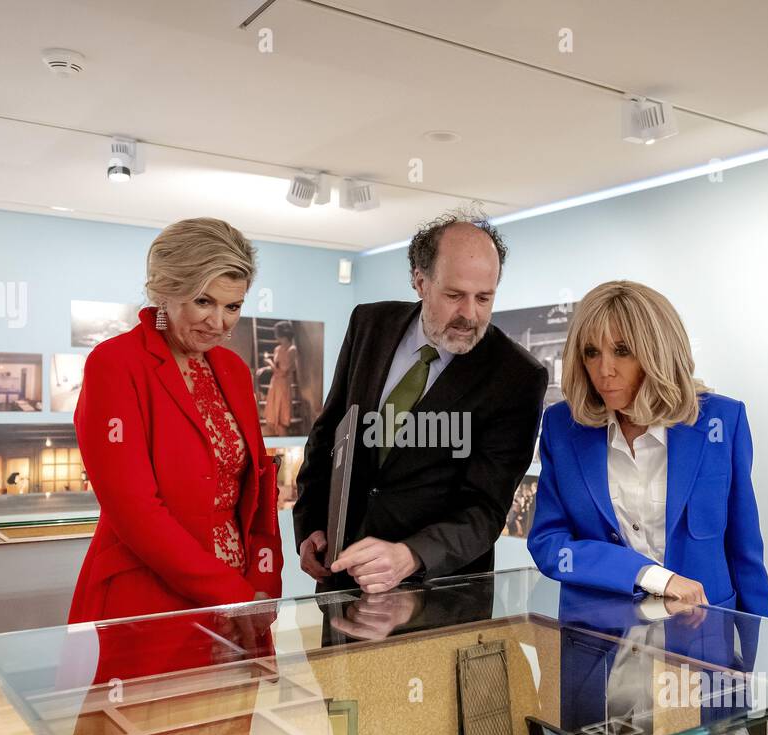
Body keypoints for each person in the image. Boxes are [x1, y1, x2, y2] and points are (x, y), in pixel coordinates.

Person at [294, 210, 548, 594]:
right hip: (342, 579)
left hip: (442, 594)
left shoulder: (517, 376)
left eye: (484, 297)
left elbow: (485, 509)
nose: (470, 314)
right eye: (454, 295)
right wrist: (312, 524)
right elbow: (328, 433)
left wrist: (410, 555)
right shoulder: (369, 325)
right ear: (420, 281)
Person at [68, 217, 283, 624]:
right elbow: (135, 512)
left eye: (232, 306)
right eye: (203, 301)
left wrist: (264, 581)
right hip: (149, 594)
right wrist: (233, 595)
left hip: (241, 596)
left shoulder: (234, 369)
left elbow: (256, 487)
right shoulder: (115, 364)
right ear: (165, 291)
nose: (219, 323)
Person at [528, 280, 768, 618]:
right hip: (596, 644)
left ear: (658, 351)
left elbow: (745, 554)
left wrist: (764, 666)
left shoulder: (722, 420)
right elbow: (549, 542)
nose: (605, 371)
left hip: (700, 645)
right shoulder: (562, 427)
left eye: (622, 351)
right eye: (591, 352)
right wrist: (650, 575)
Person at [262, 321, 297, 436]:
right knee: (272, 420)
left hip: (283, 385)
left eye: (277, 333)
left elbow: (282, 372)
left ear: (283, 334)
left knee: (282, 421)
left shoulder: (292, 350)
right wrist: (265, 368)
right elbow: (276, 367)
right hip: (275, 383)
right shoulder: (277, 349)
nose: (275, 336)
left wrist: (269, 361)